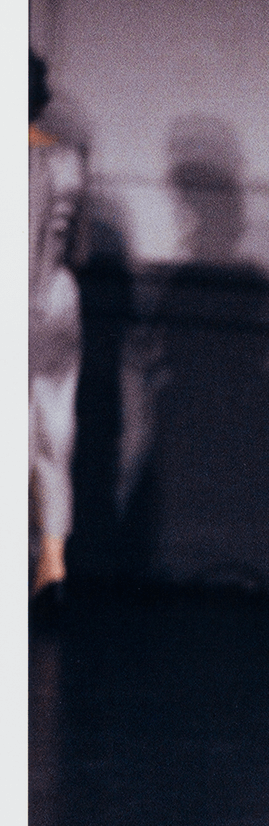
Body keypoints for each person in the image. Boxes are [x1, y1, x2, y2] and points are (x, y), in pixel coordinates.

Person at [29, 49, 84, 623]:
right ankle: (53, 565)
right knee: (54, 434)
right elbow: (82, 248)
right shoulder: (69, 160)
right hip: (59, 303)